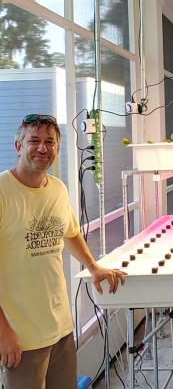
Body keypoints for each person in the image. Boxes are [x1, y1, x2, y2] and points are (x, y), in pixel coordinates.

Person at [0, 114, 125, 389]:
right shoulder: (3, 193)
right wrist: (3, 332)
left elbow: (69, 232)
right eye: (34, 141)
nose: (43, 148)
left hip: (60, 328)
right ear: (18, 146)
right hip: (21, 337)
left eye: (50, 142)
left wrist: (93, 267)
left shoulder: (57, 188)